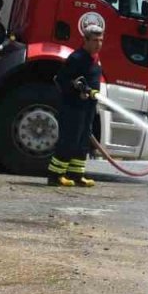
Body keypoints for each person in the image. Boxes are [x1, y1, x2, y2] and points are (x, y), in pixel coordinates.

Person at [47, 24, 104, 187]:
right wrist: (77, 90)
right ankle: (55, 175)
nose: (98, 44)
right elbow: (61, 80)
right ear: (85, 40)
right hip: (73, 106)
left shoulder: (95, 59)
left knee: (82, 141)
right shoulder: (76, 58)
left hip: (88, 108)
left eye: (101, 40)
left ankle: (76, 175)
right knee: (69, 140)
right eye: (95, 40)